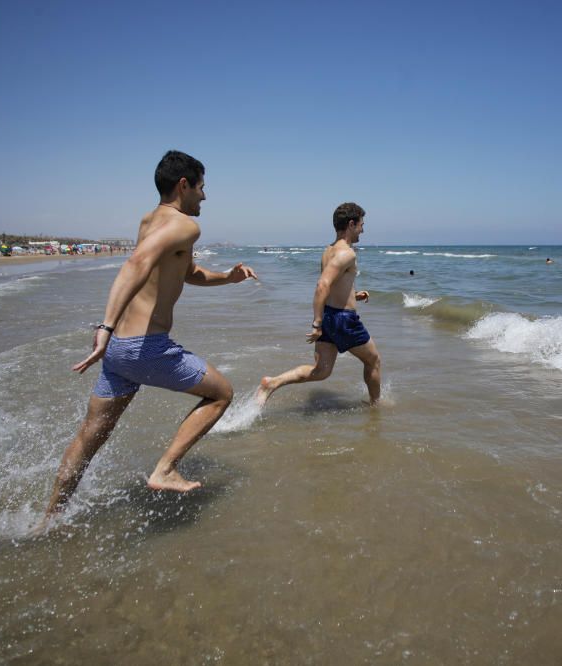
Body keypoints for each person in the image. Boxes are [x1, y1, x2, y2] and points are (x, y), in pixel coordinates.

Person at [37, 150, 257, 531]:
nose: (205, 197)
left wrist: (228, 277)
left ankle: (48, 520)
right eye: (202, 188)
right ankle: (166, 469)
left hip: (120, 351)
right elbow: (136, 264)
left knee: (88, 439)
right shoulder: (186, 226)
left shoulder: (149, 220)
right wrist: (104, 326)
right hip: (145, 347)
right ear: (184, 185)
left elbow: (185, 271)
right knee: (221, 393)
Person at [257, 202, 381, 406]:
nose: (363, 230)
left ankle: (272, 383)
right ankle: (375, 407)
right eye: (361, 224)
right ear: (351, 224)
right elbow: (322, 284)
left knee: (321, 370)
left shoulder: (329, 250)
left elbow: (332, 283)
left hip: (330, 315)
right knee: (373, 360)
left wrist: (353, 295)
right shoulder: (347, 253)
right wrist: (316, 323)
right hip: (343, 320)